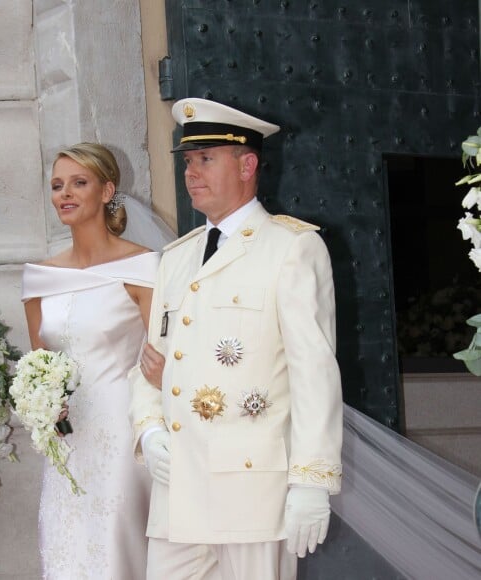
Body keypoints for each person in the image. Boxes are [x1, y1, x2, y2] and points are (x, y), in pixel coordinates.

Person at [130, 98, 343, 580]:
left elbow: (314, 373)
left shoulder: (291, 249)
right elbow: (147, 361)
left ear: (247, 164)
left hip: (252, 490)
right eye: (188, 161)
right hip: (178, 490)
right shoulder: (176, 258)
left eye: (206, 159)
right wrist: (149, 428)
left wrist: (312, 480)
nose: (191, 173)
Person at [22, 142, 162, 580]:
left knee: (115, 545)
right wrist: (43, 406)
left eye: (78, 183)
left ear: (107, 191)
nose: (65, 193)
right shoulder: (40, 278)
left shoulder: (144, 267)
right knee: (67, 547)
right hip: (66, 439)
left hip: (123, 432)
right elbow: (37, 366)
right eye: (57, 185)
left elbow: (166, 357)